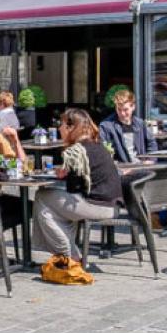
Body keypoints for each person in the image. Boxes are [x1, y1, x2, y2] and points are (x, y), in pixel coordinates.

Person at [33, 108, 123, 267]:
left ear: (70, 127)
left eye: (60, 124)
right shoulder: (96, 145)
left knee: (42, 196)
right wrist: (68, 174)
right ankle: (69, 255)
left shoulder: (76, 150)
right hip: (112, 205)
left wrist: (64, 175)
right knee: (52, 211)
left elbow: (73, 188)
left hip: (99, 206)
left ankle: (70, 256)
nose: (59, 128)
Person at [99, 89, 157, 164]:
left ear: (133, 107)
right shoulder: (106, 126)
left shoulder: (140, 124)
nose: (122, 113)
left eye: (126, 110)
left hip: (141, 167)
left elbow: (152, 143)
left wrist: (150, 160)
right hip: (121, 169)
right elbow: (103, 150)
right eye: (119, 109)